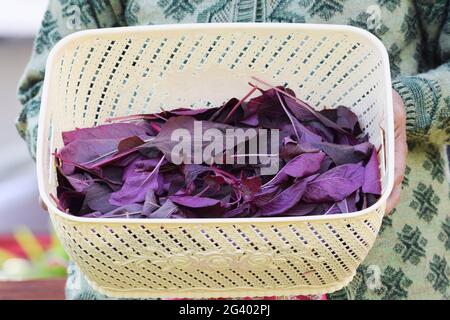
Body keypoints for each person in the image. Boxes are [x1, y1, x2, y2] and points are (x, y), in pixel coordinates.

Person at [17, 0, 449, 300]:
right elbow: (48, 86)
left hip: (377, 270)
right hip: (142, 265)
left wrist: (406, 106)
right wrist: (55, 156)